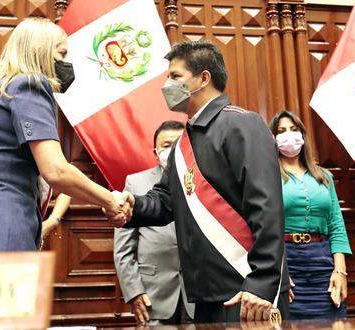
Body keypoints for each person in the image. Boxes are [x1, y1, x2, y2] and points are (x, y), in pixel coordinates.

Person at [110, 40, 289, 323]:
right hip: (206, 293)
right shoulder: (184, 142)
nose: (166, 85)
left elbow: (266, 207)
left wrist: (262, 282)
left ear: (203, 78)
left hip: (246, 290)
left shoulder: (243, 124)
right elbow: (165, 201)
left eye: (175, 76)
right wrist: (133, 207)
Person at [0, 17, 127, 254]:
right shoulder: (30, 85)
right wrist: (109, 200)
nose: (65, 63)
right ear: (41, 52)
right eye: (62, 53)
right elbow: (55, 171)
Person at [268, 111, 352, 320]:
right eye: (281, 131)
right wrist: (277, 271)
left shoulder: (324, 177)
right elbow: (262, 227)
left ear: (303, 135)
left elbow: (336, 224)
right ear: (273, 138)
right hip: (287, 263)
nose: (289, 135)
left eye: (294, 130)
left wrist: (340, 271)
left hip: (323, 264)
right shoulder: (266, 176)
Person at [114, 120, 195, 325]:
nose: (173, 150)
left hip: (198, 293)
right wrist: (133, 292)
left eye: (178, 144)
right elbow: (123, 248)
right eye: (167, 145)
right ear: (155, 151)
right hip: (153, 293)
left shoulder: (201, 181)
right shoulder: (135, 182)